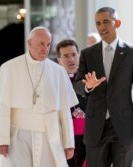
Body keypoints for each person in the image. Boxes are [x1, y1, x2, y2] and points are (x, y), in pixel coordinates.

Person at [0, 26, 78, 167]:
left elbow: (64, 112)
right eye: (41, 44)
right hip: (18, 136)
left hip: (49, 136)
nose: (45, 48)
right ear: (29, 43)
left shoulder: (58, 72)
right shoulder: (9, 68)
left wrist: (69, 143)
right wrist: (2, 140)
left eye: (48, 44)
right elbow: (2, 109)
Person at [74, 7, 133, 167]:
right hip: (96, 128)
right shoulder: (87, 54)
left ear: (117, 23)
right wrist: (87, 86)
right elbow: (77, 85)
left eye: (106, 22)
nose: (101, 27)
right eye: (97, 23)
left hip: (124, 128)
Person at [56, 39, 87, 167]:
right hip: (64, 137)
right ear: (59, 60)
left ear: (79, 55)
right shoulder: (54, 80)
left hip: (88, 137)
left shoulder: (89, 77)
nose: (71, 59)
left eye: (73, 55)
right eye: (66, 56)